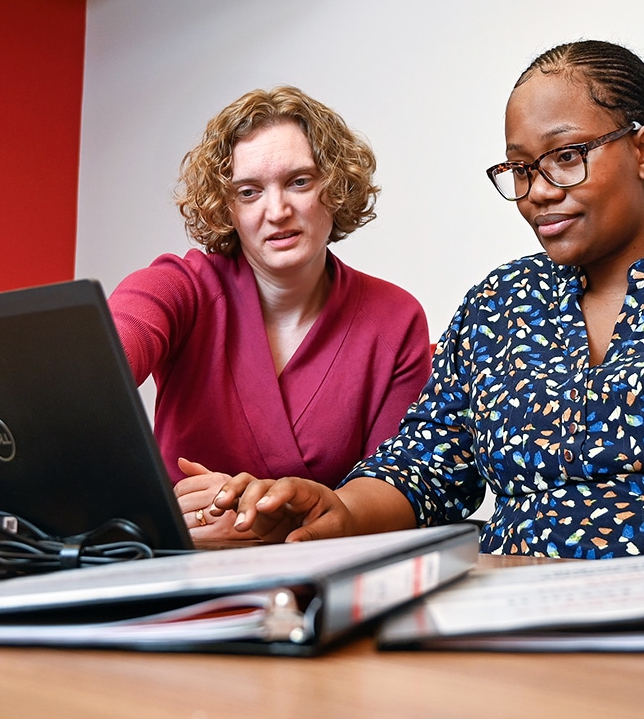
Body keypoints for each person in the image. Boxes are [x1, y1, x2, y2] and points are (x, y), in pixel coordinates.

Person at [213, 40, 644, 557]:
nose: (538, 190)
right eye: (518, 169)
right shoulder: (497, 306)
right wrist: (334, 507)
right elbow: (422, 468)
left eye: (565, 156)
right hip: (518, 640)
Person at [108, 86, 432, 541]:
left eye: (299, 182)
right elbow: (90, 376)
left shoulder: (394, 318)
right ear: (227, 207)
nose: (276, 211)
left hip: (323, 574)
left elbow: (397, 490)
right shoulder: (178, 288)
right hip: (179, 563)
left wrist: (266, 517)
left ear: (335, 188)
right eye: (249, 191)